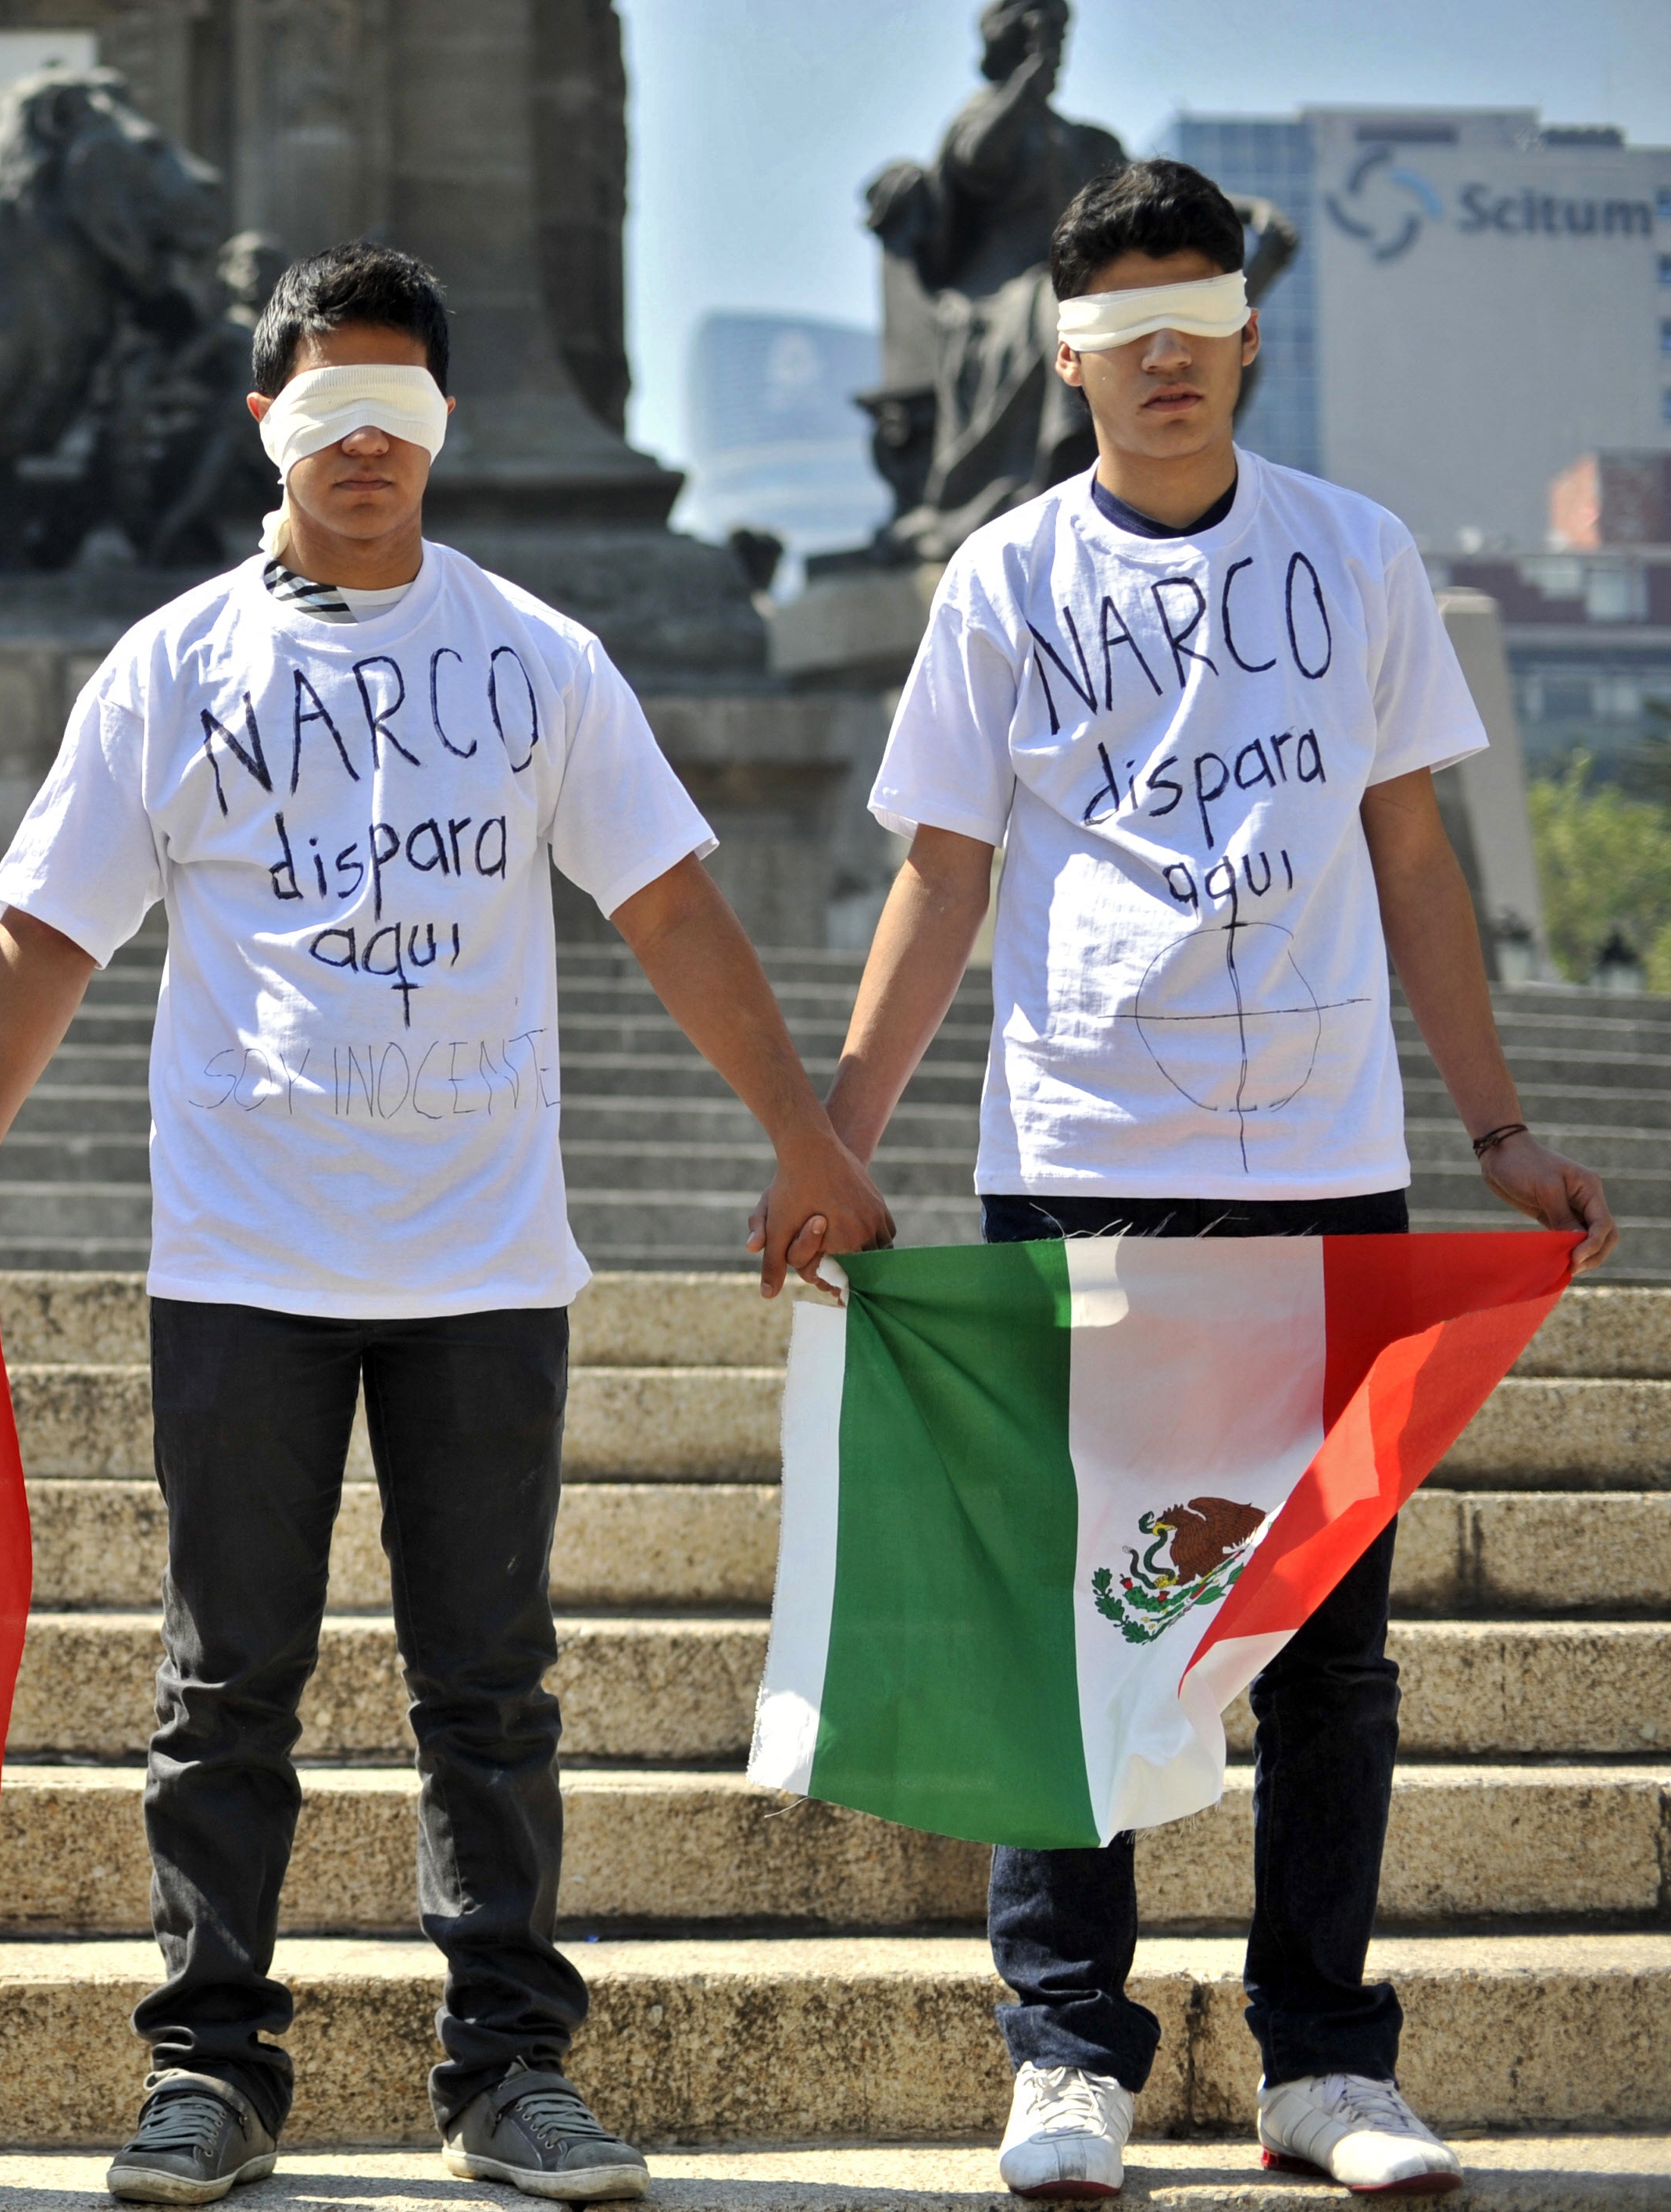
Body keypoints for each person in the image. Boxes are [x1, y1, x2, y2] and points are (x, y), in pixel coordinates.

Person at [0, 241, 892, 2207]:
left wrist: (804, 1134)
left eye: (402, 409)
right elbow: (47, 930)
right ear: (265, 421)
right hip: (249, 1260)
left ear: (448, 425)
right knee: (219, 1684)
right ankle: (208, 2068)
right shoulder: (173, 663)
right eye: (329, 408)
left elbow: (668, 906)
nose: (366, 444)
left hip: (480, 1259)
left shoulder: (536, 659)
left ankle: (509, 2065)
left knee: (490, 1683)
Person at [819, 158, 1617, 2203]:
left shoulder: (1356, 563)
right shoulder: (1002, 583)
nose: (1167, 366)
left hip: (1331, 1157)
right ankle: (1066, 2052)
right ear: (1074, 357)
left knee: (1330, 1639)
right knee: (1075, 1624)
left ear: (1250, 334)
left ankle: (1323, 2065)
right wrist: (837, 1137)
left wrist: (1499, 1125)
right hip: (1084, 1155)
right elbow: (944, 868)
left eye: (1199, 328)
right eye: (1125, 339)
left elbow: (1417, 857)